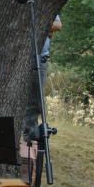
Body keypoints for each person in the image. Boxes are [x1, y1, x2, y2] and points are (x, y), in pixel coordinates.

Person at [21, 15, 62, 143]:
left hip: (40, 58)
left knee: (36, 98)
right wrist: (45, 27)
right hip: (22, 55)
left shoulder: (44, 4)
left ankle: (29, 134)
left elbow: (58, 25)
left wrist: (37, 24)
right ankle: (25, 132)